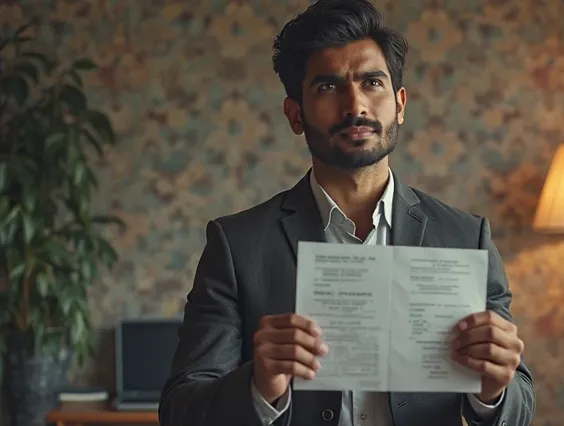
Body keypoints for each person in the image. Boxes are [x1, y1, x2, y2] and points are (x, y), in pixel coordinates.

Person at [158, 1, 535, 425]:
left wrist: (494, 390)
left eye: (372, 82)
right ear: (295, 114)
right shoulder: (237, 245)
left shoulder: (468, 237)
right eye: (327, 86)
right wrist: (260, 386)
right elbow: (180, 410)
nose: (355, 104)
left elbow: (518, 403)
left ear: (400, 103)